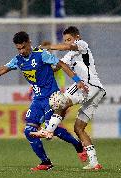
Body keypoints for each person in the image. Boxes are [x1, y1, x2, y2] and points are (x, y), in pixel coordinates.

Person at [0, 31, 89, 171]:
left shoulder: (41, 54)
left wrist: (77, 81)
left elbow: (62, 65)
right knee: (29, 131)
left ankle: (77, 145)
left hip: (52, 98)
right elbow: (3, 69)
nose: (21, 51)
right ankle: (46, 162)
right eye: (18, 49)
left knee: (49, 128)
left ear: (29, 42)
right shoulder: (18, 60)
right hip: (37, 100)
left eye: (23, 47)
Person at [33, 26, 106, 170]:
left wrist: (46, 47)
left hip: (87, 85)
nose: (67, 42)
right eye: (65, 40)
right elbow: (56, 67)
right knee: (79, 128)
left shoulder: (82, 45)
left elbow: (68, 47)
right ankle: (94, 162)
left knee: (59, 101)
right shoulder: (67, 56)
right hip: (97, 91)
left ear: (76, 37)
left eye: (69, 39)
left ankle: (48, 130)